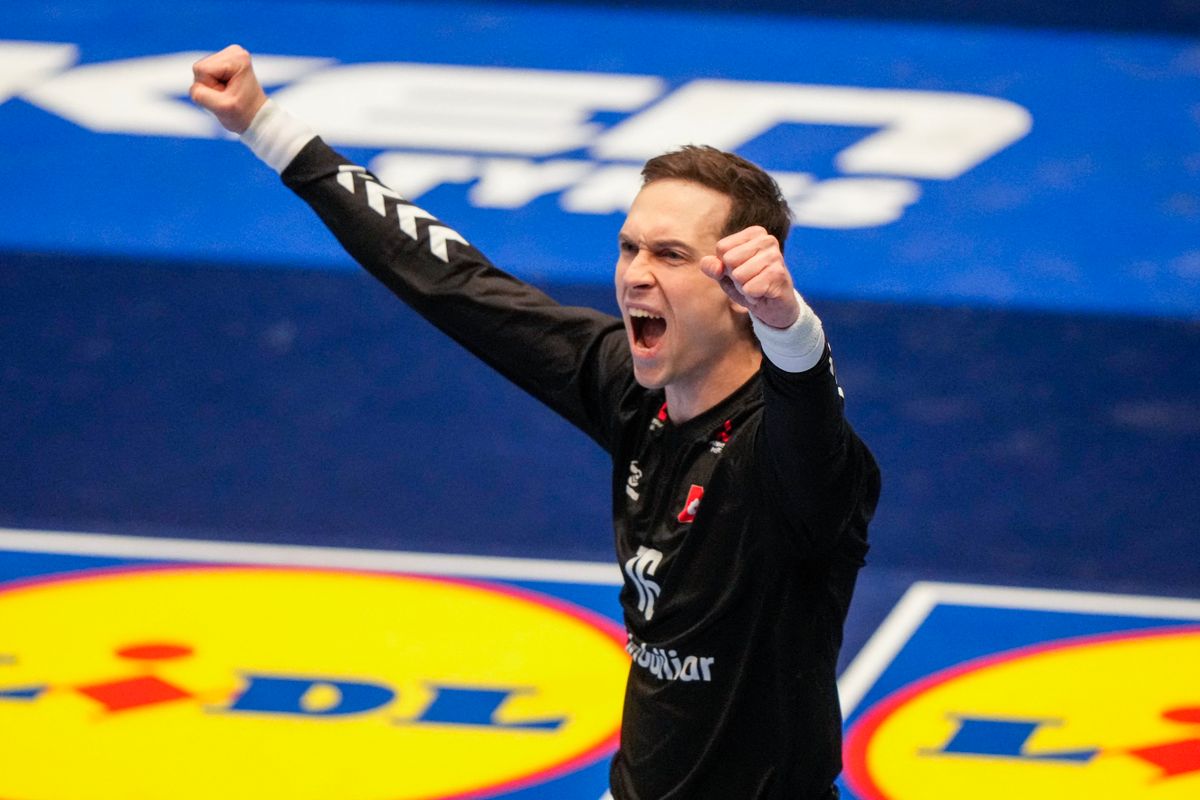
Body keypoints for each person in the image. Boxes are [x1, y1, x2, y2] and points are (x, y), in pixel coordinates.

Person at [191, 45, 880, 800]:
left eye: (671, 255)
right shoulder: (632, 388)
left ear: (739, 293)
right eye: (629, 247)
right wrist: (265, 124)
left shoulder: (790, 464)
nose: (636, 273)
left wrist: (789, 323)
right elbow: (456, 282)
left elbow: (810, 417)